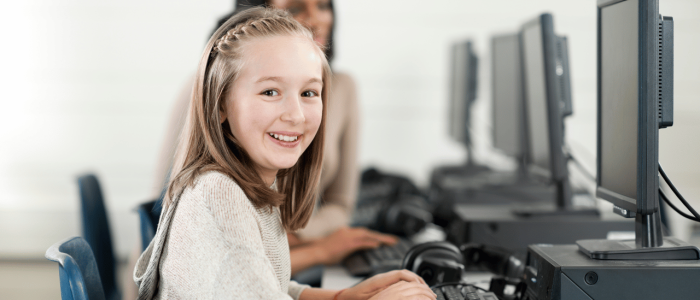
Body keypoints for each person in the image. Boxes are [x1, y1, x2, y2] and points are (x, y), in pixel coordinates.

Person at [134, 7, 436, 300]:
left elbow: (266, 286)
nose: (296, 115)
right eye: (270, 92)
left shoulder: (257, 183)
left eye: (308, 93)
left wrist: (342, 296)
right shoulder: (219, 194)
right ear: (221, 104)